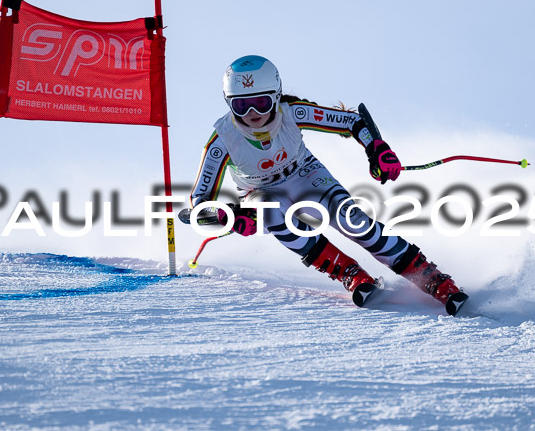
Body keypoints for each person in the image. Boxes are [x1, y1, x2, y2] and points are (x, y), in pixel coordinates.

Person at [188, 55, 469, 315]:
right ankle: (348, 272)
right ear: (228, 103)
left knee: (353, 221)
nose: (252, 112)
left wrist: (377, 150)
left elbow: (352, 122)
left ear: (275, 96)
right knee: (268, 210)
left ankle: (433, 280)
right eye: (241, 104)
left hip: (305, 174)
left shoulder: (292, 113)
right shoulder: (222, 140)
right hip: (260, 192)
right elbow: (198, 204)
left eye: (260, 103)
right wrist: (229, 216)